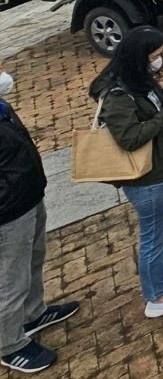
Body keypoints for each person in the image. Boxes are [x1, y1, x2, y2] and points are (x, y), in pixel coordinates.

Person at [90, 29, 163, 316]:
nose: (159, 61)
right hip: (147, 176)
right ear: (137, 57)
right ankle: (157, 297)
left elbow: (150, 109)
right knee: (153, 235)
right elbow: (131, 137)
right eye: (154, 56)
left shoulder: (139, 81)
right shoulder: (116, 93)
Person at [1, 60, 78, 373]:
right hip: (7, 211)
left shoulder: (2, 107)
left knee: (34, 259)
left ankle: (34, 313)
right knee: (10, 279)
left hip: (27, 195)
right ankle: (9, 344)